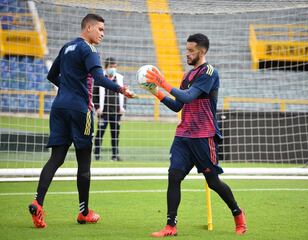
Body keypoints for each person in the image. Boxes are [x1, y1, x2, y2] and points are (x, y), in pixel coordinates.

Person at [28, 13, 135, 228]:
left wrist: (68, 87)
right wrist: (121, 89)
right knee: (84, 163)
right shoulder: (90, 50)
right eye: (100, 29)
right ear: (88, 28)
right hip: (80, 110)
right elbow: (99, 78)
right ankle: (84, 212)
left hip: (58, 107)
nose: (103, 34)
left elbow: (51, 76)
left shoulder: (67, 47)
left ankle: (37, 202)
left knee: (56, 158)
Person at [143, 33, 247, 237]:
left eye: (191, 51)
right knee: (174, 176)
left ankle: (238, 213)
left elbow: (189, 97)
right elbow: (177, 105)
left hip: (204, 135)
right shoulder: (186, 76)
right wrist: (155, 91)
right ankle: (170, 226)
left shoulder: (209, 72)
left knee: (213, 182)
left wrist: (163, 83)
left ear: (202, 51)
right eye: (186, 50)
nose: (187, 54)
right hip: (183, 135)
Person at [93, 57, 125, 161]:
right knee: (100, 134)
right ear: (106, 67)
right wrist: (97, 107)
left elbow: (124, 94)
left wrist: (123, 108)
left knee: (115, 135)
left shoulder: (120, 78)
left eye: (115, 67)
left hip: (116, 112)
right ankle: (97, 155)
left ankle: (115, 156)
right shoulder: (100, 78)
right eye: (111, 67)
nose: (113, 69)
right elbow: (94, 95)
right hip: (103, 113)